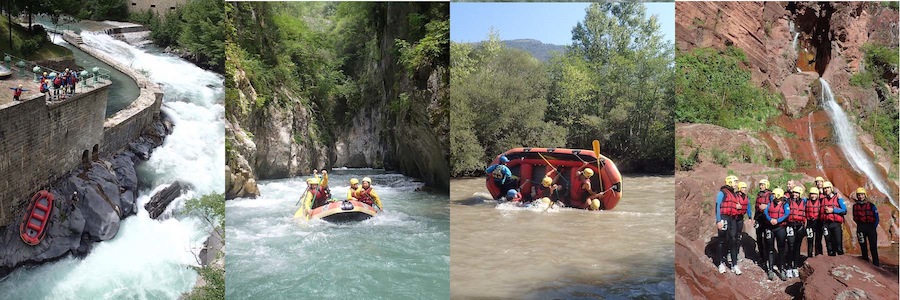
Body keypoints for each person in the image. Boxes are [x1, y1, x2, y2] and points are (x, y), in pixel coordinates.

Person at [714, 175, 745, 274]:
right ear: (730, 182)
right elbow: (718, 206)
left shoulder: (734, 194)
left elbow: (734, 205)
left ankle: (734, 264)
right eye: (735, 182)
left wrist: (737, 206)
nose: (736, 184)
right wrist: (719, 220)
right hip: (724, 218)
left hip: (732, 219)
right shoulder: (722, 193)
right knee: (721, 240)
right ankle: (721, 263)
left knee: (733, 239)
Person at [765, 188, 791, 281]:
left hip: (780, 228)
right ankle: (770, 269)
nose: (773, 196)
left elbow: (787, 214)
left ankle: (782, 269)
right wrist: (770, 219)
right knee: (770, 248)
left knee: (781, 249)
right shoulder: (770, 203)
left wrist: (777, 220)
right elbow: (766, 212)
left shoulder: (785, 204)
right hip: (770, 227)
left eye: (775, 195)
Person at [852, 187, 880, 267]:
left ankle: (876, 265)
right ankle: (866, 264)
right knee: (863, 247)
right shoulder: (855, 206)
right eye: (859, 195)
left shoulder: (871, 205)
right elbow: (855, 217)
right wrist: (860, 225)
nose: (860, 196)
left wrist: (873, 227)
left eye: (862, 195)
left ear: (865, 195)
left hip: (871, 228)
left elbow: (877, 218)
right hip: (860, 228)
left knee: (873, 247)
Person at [785, 186, 806, 279]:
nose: (795, 194)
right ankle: (789, 267)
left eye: (797, 193)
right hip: (790, 225)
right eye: (794, 193)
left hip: (800, 226)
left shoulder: (803, 202)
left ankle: (795, 267)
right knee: (790, 246)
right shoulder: (788, 201)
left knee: (797, 247)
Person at [821, 181, 847, 256]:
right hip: (826, 225)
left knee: (839, 247)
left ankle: (842, 265)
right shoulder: (823, 199)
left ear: (831, 188)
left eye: (828, 188)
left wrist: (833, 210)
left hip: (836, 224)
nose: (826, 190)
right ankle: (832, 266)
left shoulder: (838, 198)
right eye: (825, 188)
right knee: (829, 248)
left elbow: (844, 211)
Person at [754, 179, 774, 274]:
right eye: (760, 185)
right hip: (759, 218)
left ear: (766, 185)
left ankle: (769, 259)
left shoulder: (770, 195)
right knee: (759, 238)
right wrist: (754, 219)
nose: (760, 186)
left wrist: (767, 206)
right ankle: (762, 257)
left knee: (767, 239)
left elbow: (774, 205)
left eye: (762, 185)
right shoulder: (758, 194)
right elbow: (756, 207)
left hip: (767, 219)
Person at [805, 187, 824, 258]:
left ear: (817, 195)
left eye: (815, 194)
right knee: (810, 241)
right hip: (810, 223)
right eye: (812, 194)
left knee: (818, 241)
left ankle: (819, 255)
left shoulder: (821, 201)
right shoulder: (806, 202)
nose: (813, 196)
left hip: (818, 223)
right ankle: (809, 256)